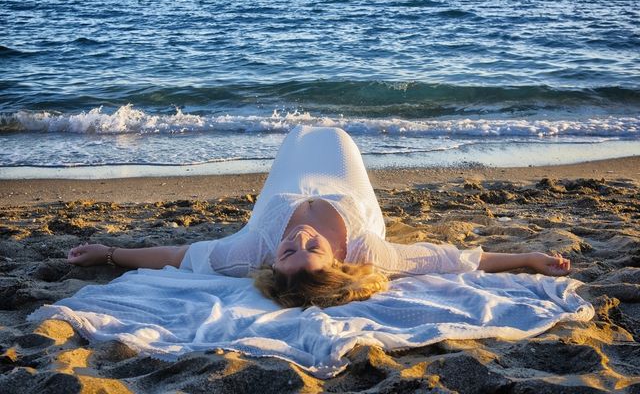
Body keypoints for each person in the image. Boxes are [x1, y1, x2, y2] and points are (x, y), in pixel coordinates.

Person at [68, 126, 571, 308]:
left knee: (294, 133)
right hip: (343, 178)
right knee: (333, 131)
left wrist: (110, 253)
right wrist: (528, 257)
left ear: (273, 260)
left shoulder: (247, 255)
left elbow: (177, 256)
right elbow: (455, 260)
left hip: (287, 180)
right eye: (311, 250)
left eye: (290, 249)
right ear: (337, 257)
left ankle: (297, 135)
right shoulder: (372, 253)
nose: (302, 239)